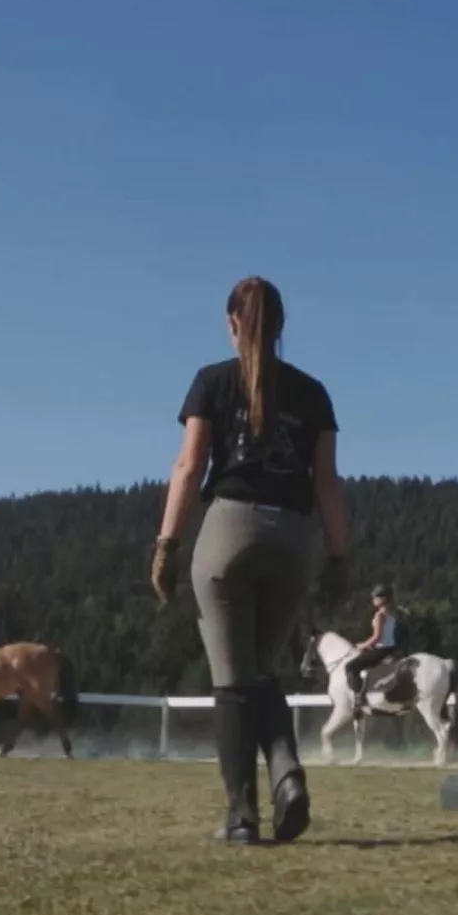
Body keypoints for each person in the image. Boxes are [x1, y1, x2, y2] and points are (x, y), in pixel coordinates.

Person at [150, 276, 350, 845]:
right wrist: (339, 557)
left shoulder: (211, 381)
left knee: (232, 683)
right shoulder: (313, 393)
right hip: (293, 540)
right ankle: (286, 774)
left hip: (228, 531)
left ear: (231, 322)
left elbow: (189, 468)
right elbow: (327, 482)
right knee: (261, 672)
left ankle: (241, 816)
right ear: (282, 325)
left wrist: (166, 544)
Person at [345, 584, 405, 716]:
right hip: (391, 649)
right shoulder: (393, 613)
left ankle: (358, 699)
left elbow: (377, 637)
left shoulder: (380, 615)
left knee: (350, 667)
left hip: (381, 650)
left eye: (375, 597)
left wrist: (362, 645)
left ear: (383, 599)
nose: (373, 599)